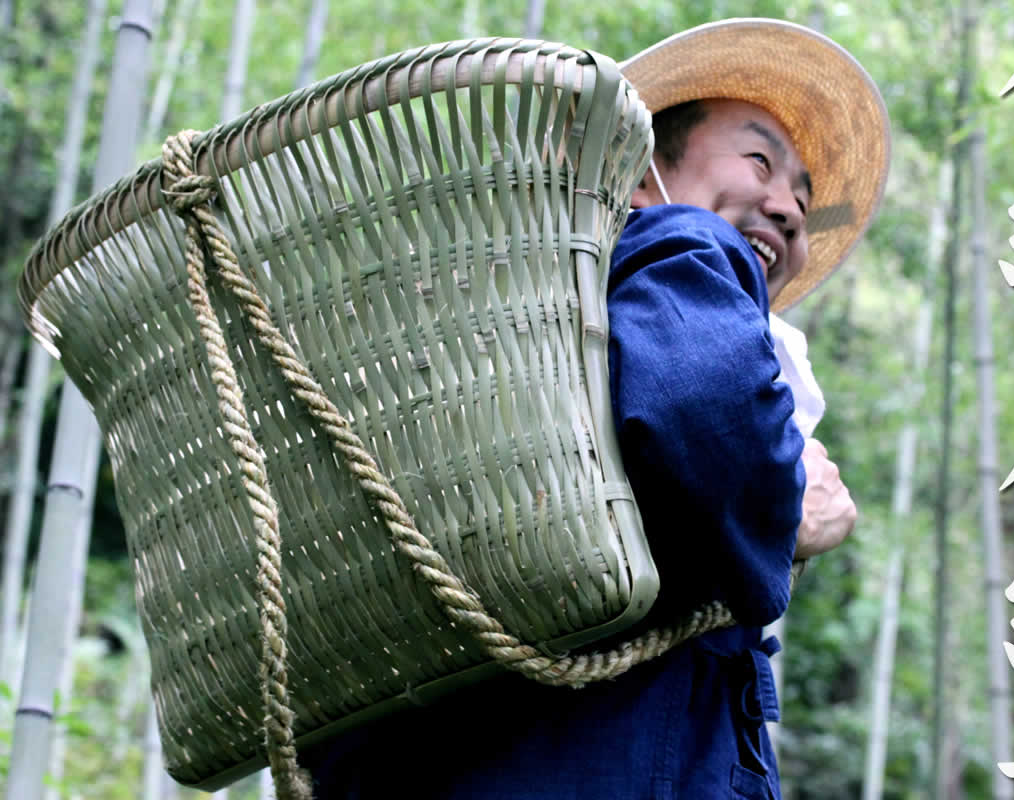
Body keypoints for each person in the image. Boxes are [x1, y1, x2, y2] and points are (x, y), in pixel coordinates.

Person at [302, 18, 888, 799]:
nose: (787, 207)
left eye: (804, 198)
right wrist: (791, 510)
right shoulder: (675, 241)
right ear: (640, 174)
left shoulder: (504, 354)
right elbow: (700, 410)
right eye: (759, 161)